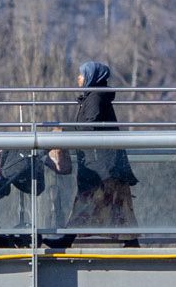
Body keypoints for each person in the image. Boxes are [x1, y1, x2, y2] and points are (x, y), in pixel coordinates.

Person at [49, 60, 137, 245]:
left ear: (91, 76)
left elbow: (88, 126)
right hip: (105, 161)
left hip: (101, 163)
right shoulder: (94, 97)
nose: (78, 78)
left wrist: (64, 132)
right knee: (116, 203)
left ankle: (67, 239)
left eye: (81, 74)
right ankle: (131, 242)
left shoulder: (95, 97)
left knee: (88, 200)